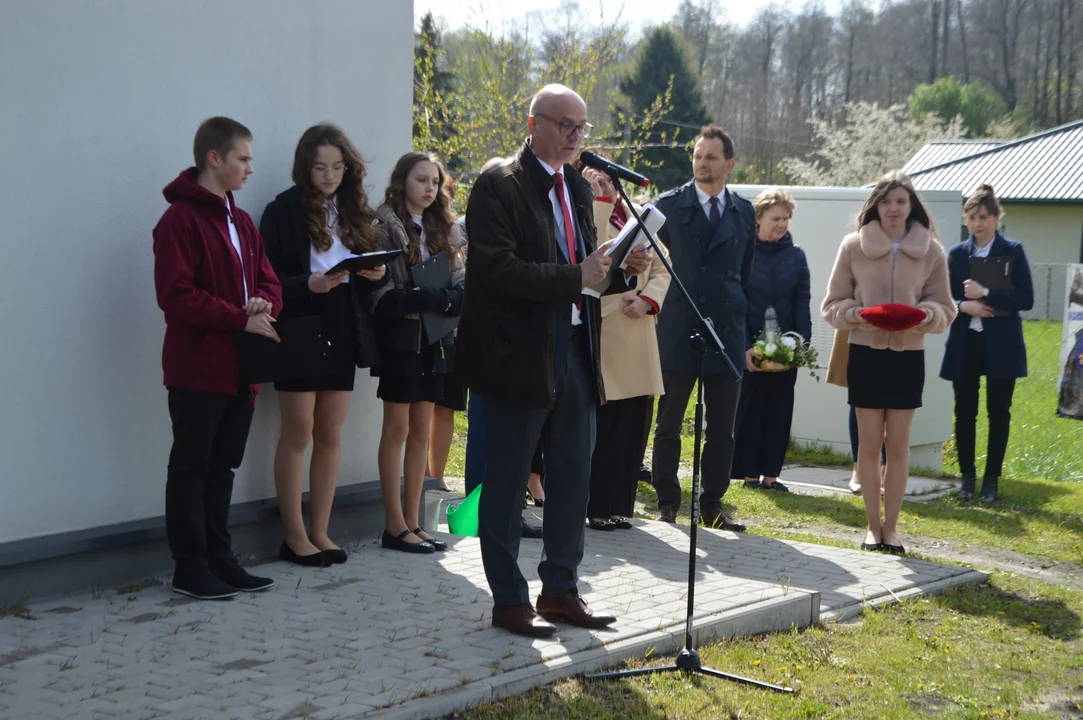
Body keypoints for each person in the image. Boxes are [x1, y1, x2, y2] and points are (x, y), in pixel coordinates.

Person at [455, 84, 650, 637]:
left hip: (575, 351)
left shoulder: (577, 188)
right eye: (565, 125)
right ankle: (508, 599)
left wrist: (623, 268)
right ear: (533, 122)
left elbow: (587, 273)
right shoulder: (499, 183)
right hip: (516, 355)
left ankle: (560, 591)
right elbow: (495, 270)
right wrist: (577, 275)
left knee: (572, 476)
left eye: (582, 127)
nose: (575, 138)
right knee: (509, 478)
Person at [153, 117, 283, 599]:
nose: (250, 168)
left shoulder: (242, 221)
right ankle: (189, 567)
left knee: (222, 466)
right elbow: (175, 295)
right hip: (197, 368)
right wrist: (237, 317)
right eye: (243, 158)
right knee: (191, 467)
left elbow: (268, 281)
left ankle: (219, 558)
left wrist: (264, 305)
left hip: (241, 370)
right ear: (215, 158)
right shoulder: (178, 221)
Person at [260, 123, 388, 567]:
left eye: (337, 167)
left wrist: (375, 274)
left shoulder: (355, 211)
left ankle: (320, 531)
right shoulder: (282, 210)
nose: (329, 176)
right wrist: (305, 285)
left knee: (331, 433)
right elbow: (267, 276)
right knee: (298, 432)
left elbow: (363, 270)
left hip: (343, 324)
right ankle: (294, 536)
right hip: (299, 323)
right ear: (305, 167)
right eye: (320, 167)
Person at [822, 170, 956, 554]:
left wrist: (924, 315)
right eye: (886, 201)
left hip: (907, 358)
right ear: (875, 206)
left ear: (911, 205)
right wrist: (859, 315)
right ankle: (871, 527)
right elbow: (831, 305)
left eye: (901, 201)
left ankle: (892, 530)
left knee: (898, 447)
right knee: (868, 445)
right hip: (864, 354)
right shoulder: (852, 246)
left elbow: (945, 308)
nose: (894, 208)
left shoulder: (931, 250)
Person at [650, 125, 756, 531]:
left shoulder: (744, 211)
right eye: (697, 155)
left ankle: (711, 503)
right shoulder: (668, 207)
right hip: (679, 326)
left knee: (722, 429)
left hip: (726, 330)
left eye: (711, 157)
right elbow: (648, 263)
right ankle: (667, 503)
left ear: (729, 164)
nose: (701, 163)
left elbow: (744, 276)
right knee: (670, 421)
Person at [371, 152, 465, 554]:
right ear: (402, 182)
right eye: (420, 180)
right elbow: (385, 298)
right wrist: (430, 299)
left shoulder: (444, 229)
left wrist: (429, 297)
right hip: (401, 341)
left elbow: (462, 291)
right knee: (396, 429)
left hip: (437, 341)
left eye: (434, 182)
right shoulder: (383, 227)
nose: (428, 189)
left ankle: (414, 522)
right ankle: (394, 525)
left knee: (419, 434)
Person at [577, 151, 671, 530]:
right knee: (606, 425)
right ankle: (596, 507)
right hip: (605, 330)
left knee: (634, 426)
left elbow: (664, 267)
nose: (606, 186)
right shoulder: (587, 214)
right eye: (596, 179)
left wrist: (648, 298)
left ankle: (620, 505)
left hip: (637, 328)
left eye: (609, 181)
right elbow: (593, 257)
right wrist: (596, 200)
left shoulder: (637, 218)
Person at [461, 157, 544, 540]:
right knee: (484, 440)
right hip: (489, 350)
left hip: (524, 350)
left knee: (511, 448)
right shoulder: (489, 215)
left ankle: (509, 512)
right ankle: (478, 513)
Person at [940, 184, 1034, 504]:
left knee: (999, 413)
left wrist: (987, 294)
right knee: (964, 413)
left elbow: (1026, 298)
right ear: (965, 220)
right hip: (966, 343)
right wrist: (962, 306)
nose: (977, 223)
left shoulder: (1013, 251)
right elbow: (942, 299)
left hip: (1001, 345)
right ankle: (967, 478)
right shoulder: (955, 254)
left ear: (996, 217)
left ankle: (991, 481)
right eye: (971, 217)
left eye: (983, 217)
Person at [732, 189, 810, 493]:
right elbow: (736, 302)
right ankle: (749, 474)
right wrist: (744, 346)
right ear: (759, 218)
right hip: (751, 347)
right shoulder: (744, 253)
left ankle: (771, 476)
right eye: (776, 218)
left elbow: (802, 301)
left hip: (786, 349)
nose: (782, 224)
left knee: (779, 412)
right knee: (751, 410)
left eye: (786, 218)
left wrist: (800, 345)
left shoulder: (796, 255)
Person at [428, 172, 465, 493]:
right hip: (425, 329)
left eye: (444, 190)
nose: (437, 194)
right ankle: (423, 473)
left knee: (448, 405)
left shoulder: (456, 233)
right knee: (425, 404)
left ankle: (436, 474)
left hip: (454, 330)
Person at [827, 330, 887, 495]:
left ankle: (886, 470)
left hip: (898, 330)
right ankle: (859, 470)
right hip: (860, 325)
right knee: (860, 396)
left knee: (894, 401)